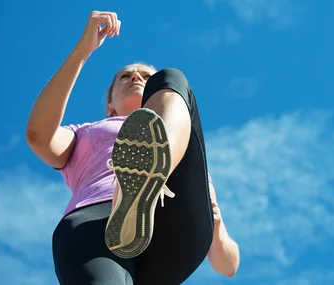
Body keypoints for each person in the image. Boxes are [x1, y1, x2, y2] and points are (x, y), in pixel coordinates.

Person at [25, 10, 240, 285]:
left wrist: (218, 228)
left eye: (145, 76)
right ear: (110, 106)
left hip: (174, 216)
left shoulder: (186, 147)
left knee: (171, 76)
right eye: (125, 77)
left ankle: (150, 173)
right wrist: (84, 50)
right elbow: (39, 137)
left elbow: (227, 265)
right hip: (97, 225)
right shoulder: (88, 132)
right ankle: (132, 194)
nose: (137, 78)